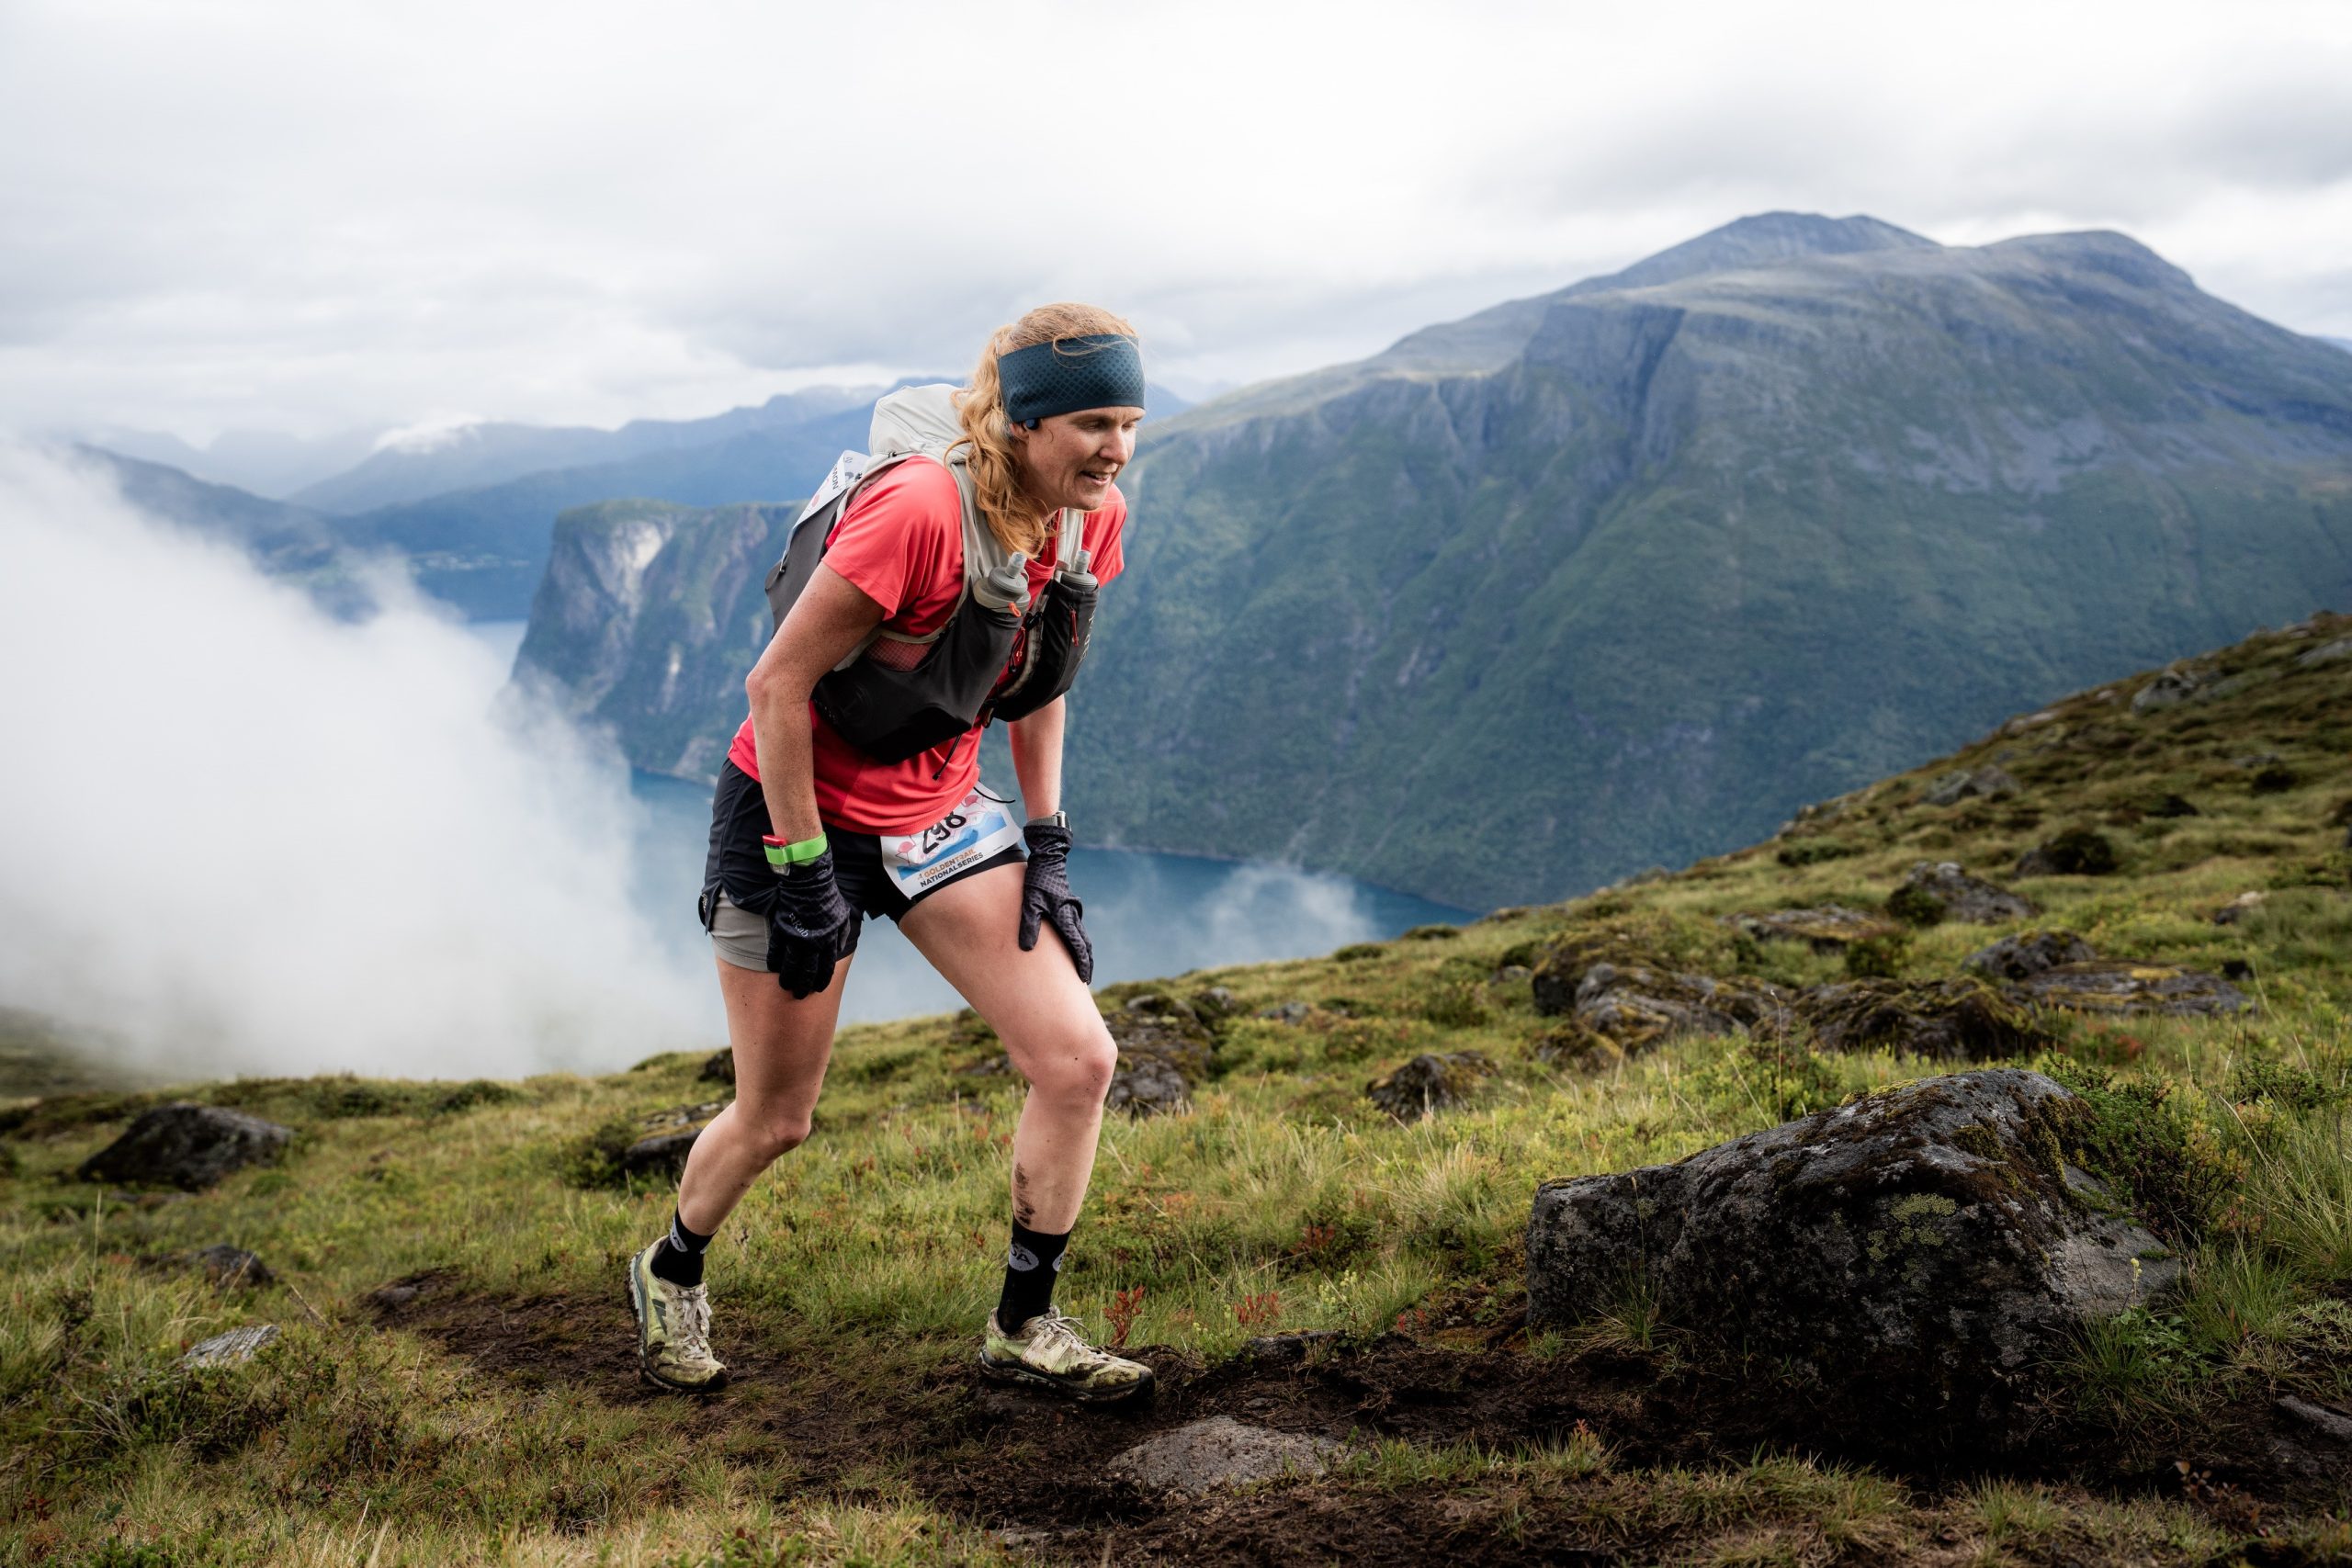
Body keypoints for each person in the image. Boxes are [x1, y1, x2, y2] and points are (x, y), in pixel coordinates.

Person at [625, 303, 1154, 1404]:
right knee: (779, 1114)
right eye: (1093, 423)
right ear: (1022, 421)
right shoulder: (918, 509)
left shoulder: (1086, 518)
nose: (1115, 449)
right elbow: (775, 687)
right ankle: (671, 1269)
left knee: (1079, 1062)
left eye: (1130, 421)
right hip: (791, 808)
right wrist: (805, 867)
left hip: (938, 813)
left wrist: (1045, 840)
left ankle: (1025, 1324)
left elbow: (1042, 685)